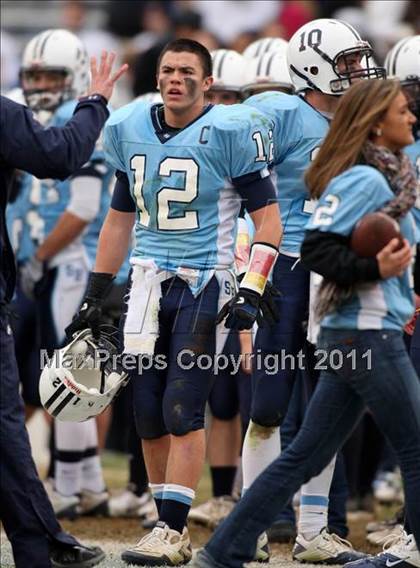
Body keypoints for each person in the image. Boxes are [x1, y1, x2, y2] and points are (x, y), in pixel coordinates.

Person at [66, 37, 282, 567]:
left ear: (207, 82)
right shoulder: (131, 125)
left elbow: (269, 222)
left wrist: (253, 286)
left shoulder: (230, 129)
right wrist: (97, 291)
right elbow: (119, 219)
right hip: (145, 283)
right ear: (156, 76)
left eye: (187, 71)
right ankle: (169, 527)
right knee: (146, 413)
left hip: (206, 281)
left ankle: (169, 527)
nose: (175, 78)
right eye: (168, 70)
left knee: (182, 405)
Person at [192, 77, 420, 568]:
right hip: (364, 328)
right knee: (416, 443)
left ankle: (222, 549)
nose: (413, 118)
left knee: (305, 454)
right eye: (403, 110)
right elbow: (317, 247)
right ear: (377, 123)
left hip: (368, 322)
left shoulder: (387, 171)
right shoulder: (363, 178)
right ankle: (411, 552)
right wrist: (375, 270)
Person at [239, 19, 385, 561]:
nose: (356, 71)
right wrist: (248, 268)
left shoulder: (361, 118)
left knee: (328, 403)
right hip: (287, 267)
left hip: (337, 269)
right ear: (314, 63)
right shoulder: (278, 113)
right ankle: (251, 522)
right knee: (270, 404)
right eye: (345, 62)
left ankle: (314, 530)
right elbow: (242, 190)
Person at [0, 50, 127, 568]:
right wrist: (94, 101)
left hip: (54, 270)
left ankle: (62, 512)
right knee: (6, 422)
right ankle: (39, 544)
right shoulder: (7, 114)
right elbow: (60, 155)